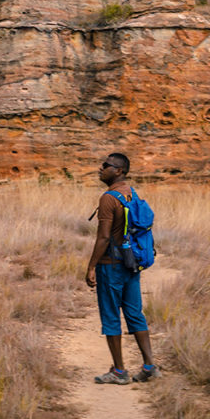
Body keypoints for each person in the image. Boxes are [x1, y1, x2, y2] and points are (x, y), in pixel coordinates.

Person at [85, 152, 159, 384]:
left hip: (111, 267)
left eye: (106, 165)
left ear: (119, 171)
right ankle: (149, 366)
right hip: (131, 264)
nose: (100, 168)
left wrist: (91, 266)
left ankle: (119, 372)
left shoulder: (108, 198)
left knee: (110, 317)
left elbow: (104, 237)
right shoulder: (131, 193)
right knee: (135, 314)